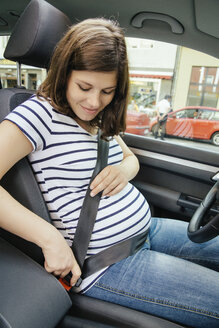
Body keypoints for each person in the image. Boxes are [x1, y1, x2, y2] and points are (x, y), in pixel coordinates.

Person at [0, 18, 218, 328]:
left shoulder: (98, 116)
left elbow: (129, 158)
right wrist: (49, 239)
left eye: (107, 91)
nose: (94, 101)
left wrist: (123, 171)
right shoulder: (39, 113)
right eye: (84, 87)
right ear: (64, 74)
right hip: (109, 261)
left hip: (148, 231)